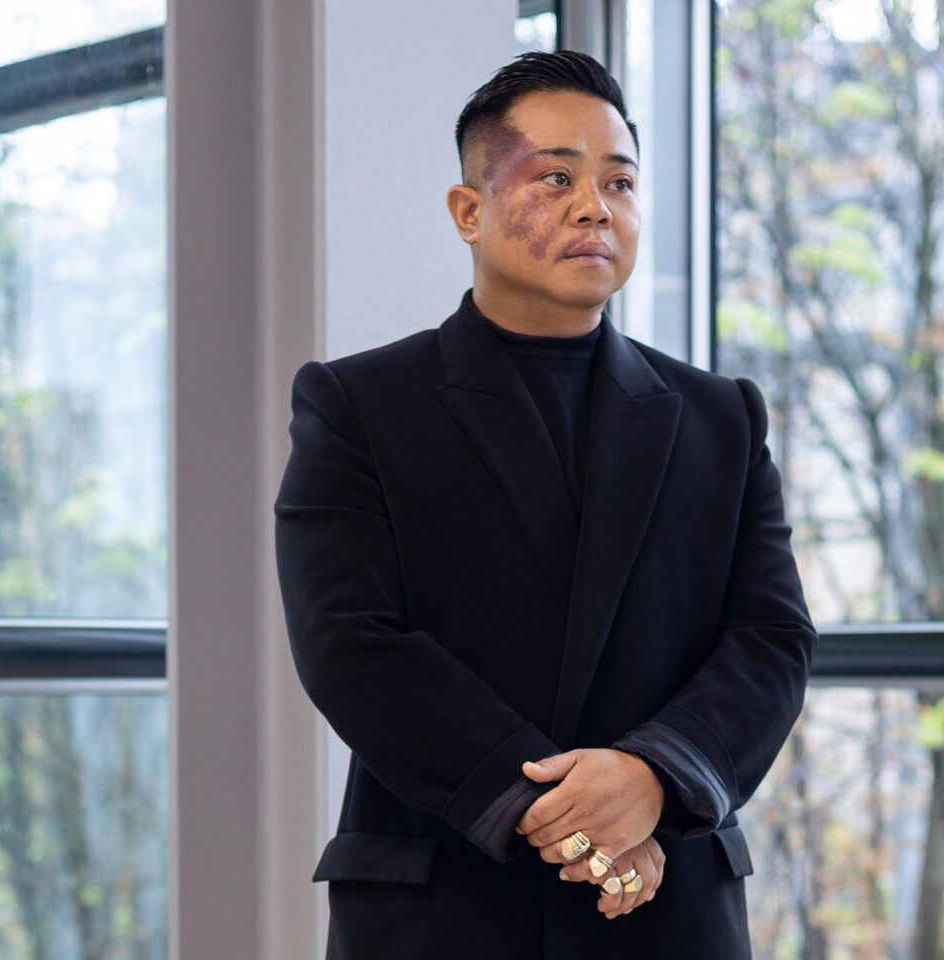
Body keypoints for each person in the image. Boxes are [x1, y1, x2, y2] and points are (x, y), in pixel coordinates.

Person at [274, 50, 816, 960]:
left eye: (620, 182)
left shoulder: (721, 417)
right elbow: (350, 641)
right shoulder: (359, 404)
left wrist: (653, 776)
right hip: (443, 908)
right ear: (469, 211)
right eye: (556, 177)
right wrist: (563, 813)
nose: (595, 206)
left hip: (666, 906)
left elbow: (772, 639)